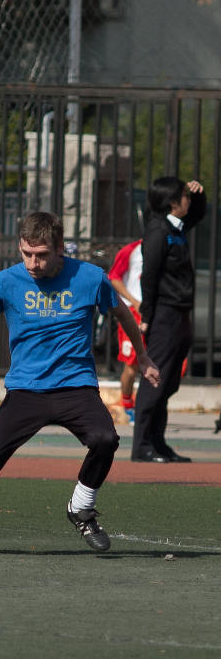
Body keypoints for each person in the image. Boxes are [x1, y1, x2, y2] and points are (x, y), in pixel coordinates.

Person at [0, 211, 160, 555]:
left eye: (41, 255)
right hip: (26, 391)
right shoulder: (8, 281)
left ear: (60, 248)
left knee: (105, 439)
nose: (33, 263)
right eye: (27, 254)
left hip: (75, 386)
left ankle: (81, 508)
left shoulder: (90, 277)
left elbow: (123, 314)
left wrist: (142, 357)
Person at [132, 177, 205, 463]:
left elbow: (197, 214)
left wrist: (199, 195)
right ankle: (141, 446)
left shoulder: (177, 227)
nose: (188, 200)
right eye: (185, 196)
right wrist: (147, 316)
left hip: (180, 314)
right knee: (155, 380)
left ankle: (158, 442)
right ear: (172, 203)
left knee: (169, 382)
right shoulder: (158, 232)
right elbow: (149, 276)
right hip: (164, 315)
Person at [108, 239, 143, 424]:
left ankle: (148, 407)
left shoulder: (169, 247)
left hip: (156, 314)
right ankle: (128, 405)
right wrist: (135, 302)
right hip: (133, 314)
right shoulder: (131, 250)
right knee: (132, 366)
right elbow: (114, 277)